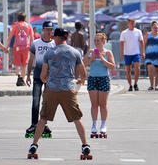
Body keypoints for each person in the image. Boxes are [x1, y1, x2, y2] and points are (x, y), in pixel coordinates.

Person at [28, 28, 90, 159]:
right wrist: (80, 80)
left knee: (43, 118)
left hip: (52, 89)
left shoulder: (49, 53)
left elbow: (43, 75)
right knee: (76, 118)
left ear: (56, 37)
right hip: (68, 89)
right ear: (66, 38)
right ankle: (85, 145)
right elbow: (84, 74)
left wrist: (47, 80)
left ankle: (34, 145)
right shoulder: (75, 52)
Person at [25, 21, 55, 138]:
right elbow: (31, 60)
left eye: (51, 29)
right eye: (47, 29)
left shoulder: (54, 44)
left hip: (50, 78)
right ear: (43, 30)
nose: (49, 32)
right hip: (37, 76)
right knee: (35, 100)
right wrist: (27, 75)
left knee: (46, 102)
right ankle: (34, 124)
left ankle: (44, 124)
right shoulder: (36, 43)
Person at [85, 32, 115, 138]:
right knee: (94, 104)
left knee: (102, 104)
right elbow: (83, 63)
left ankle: (103, 124)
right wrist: (92, 58)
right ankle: (94, 124)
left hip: (104, 79)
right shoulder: (91, 51)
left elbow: (112, 66)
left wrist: (102, 59)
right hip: (92, 78)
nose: (96, 42)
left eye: (98, 40)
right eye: (95, 40)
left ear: (103, 41)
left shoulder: (108, 53)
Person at [7, 12, 34, 86]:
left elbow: (10, 37)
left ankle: (18, 76)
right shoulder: (28, 26)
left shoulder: (15, 26)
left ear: (18, 18)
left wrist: (7, 47)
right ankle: (22, 79)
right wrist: (32, 47)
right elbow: (31, 37)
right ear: (25, 18)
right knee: (24, 64)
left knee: (17, 63)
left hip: (17, 47)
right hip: (26, 47)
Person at [120, 18, 144, 91]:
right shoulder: (124, 33)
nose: (133, 25)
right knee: (128, 70)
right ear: (128, 24)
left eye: (134, 23)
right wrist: (121, 53)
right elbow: (121, 43)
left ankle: (135, 83)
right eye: (131, 23)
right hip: (127, 53)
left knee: (137, 68)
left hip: (136, 53)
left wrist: (143, 52)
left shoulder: (138, 31)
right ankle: (130, 85)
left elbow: (142, 42)